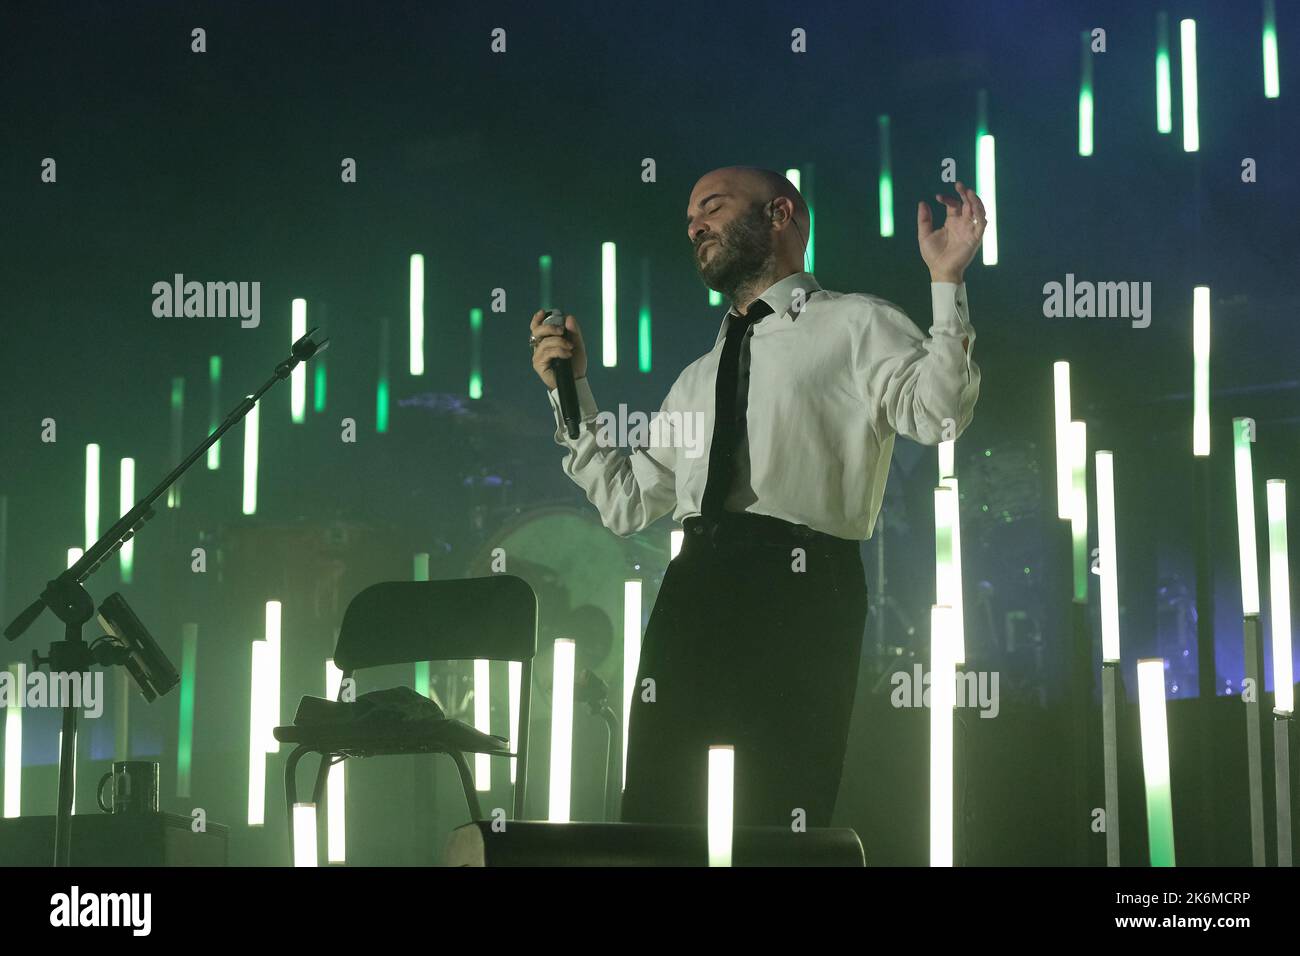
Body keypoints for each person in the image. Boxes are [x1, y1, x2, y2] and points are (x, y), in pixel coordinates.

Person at [529, 165, 984, 829]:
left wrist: (947, 283)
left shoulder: (856, 324)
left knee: (777, 798)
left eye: (712, 206)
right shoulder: (695, 378)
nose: (694, 226)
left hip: (800, 582)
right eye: (689, 217)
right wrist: (571, 391)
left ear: (781, 215)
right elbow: (625, 504)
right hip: (695, 582)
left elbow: (939, 416)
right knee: (662, 799)